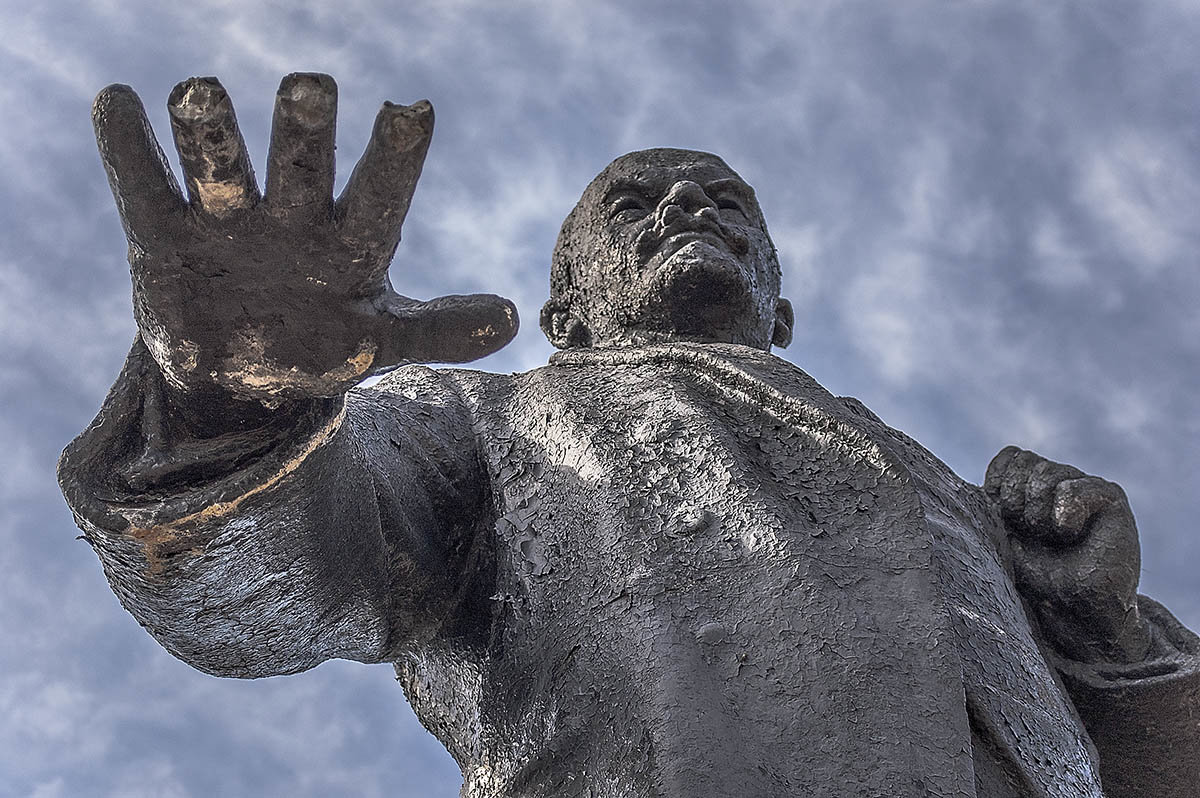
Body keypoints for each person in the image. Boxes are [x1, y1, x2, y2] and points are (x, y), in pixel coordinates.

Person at [59, 74, 1198, 798]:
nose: (689, 211)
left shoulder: (957, 499)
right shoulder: (496, 421)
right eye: (635, 205)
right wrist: (233, 407)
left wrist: (1104, 629)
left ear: (780, 311)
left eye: (724, 202)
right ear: (567, 316)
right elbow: (277, 587)